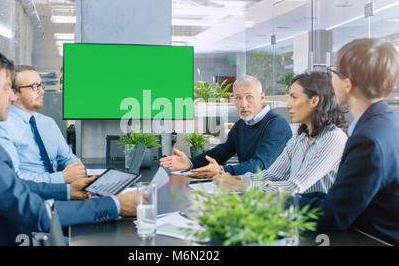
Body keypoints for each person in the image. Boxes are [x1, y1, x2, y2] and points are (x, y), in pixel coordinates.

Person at [0, 48, 137, 245]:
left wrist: (66, 191)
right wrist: (115, 205)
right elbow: (35, 212)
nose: (12, 98)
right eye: (6, 88)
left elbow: (11, 185)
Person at [294, 38, 399, 245]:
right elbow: (345, 198)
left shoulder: (368, 140)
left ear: (348, 84)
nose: (330, 78)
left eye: (333, 71)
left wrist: (277, 203)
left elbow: (333, 216)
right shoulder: (387, 124)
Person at [215, 71, 348, 194]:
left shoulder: (333, 138)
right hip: (296, 211)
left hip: (318, 217)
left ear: (314, 100)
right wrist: (234, 179)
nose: (288, 105)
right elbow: (271, 175)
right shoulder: (300, 137)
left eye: (294, 97)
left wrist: (239, 185)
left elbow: (293, 187)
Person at [160, 75, 292, 177]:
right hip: (248, 187)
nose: (243, 104)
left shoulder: (277, 125)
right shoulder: (242, 124)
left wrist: (221, 170)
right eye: (238, 98)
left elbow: (260, 166)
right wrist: (189, 163)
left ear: (262, 98)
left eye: (249, 97)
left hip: (274, 194)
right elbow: (220, 153)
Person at [0, 65, 84, 184]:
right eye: (34, 86)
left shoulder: (48, 122)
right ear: (14, 93)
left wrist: (80, 174)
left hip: (62, 188)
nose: (42, 91)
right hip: (32, 195)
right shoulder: (2, 126)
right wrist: (61, 178)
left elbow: (67, 157)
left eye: (41, 85)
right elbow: (13, 177)